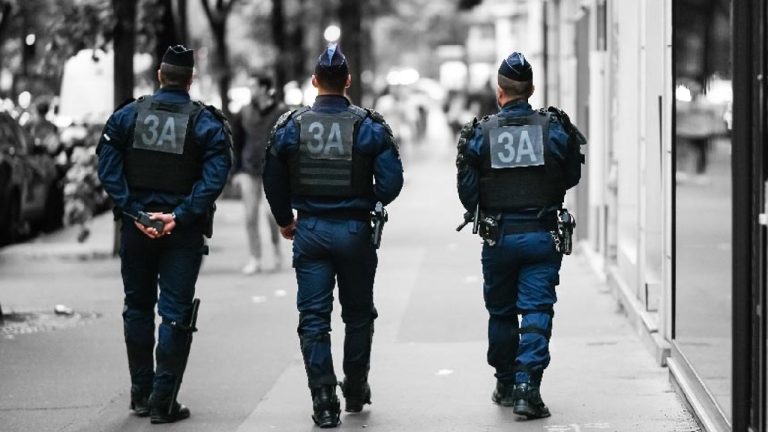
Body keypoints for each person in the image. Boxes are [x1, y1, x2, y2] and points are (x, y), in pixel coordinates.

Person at [263, 43, 403, 428]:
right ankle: (355, 389)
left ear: (313, 82)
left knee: (313, 317)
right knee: (358, 314)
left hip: (309, 232)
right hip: (356, 232)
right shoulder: (368, 126)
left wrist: (284, 220)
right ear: (348, 81)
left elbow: (272, 178)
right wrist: (365, 199)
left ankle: (324, 400)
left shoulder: (291, 127)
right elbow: (392, 183)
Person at [96, 45, 232, 424]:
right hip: (182, 234)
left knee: (137, 308)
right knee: (175, 314)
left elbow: (108, 170)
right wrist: (181, 215)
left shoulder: (127, 116)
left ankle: (141, 394)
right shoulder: (205, 123)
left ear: (159, 75)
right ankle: (163, 400)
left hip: (137, 231)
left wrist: (134, 212)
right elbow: (215, 177)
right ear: (190, 80)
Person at [456, 51, 584, 419]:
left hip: (499, 238)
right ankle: (529, 387)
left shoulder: (480, 133)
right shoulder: (554, 128)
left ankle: (505, 382)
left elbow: (468, 194)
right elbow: (571, 176)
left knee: (501, 312)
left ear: (500, 92)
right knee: (537, 309)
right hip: (543, 235)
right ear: (531, 90)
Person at [232, 76, 283, 274]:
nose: (250, 89)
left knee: (271, 214)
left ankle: (276, 248)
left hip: (273, 171)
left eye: (254, 85)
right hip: (248, 170)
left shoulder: (281, 111)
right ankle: (255, 257)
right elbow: (236, 143)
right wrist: (236, 171)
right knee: (250, 215)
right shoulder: (244, 113)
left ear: (264, 88)